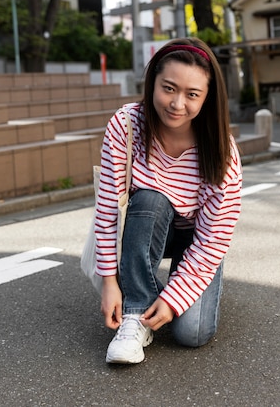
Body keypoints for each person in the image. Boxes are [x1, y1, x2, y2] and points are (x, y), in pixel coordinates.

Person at [95, 37, 242, 364]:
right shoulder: (127, 125)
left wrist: (175, 298)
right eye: (168, 88)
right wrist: (109, 282)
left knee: (192, 334)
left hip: (198, 241)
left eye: (192, 95)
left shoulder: (221, 149)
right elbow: (106, 210)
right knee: (150, 199)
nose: (177, 104)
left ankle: (170, 286)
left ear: (207, 98)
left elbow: (215, 235)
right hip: (145, 230)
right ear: (152, 84)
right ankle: (136, 314)